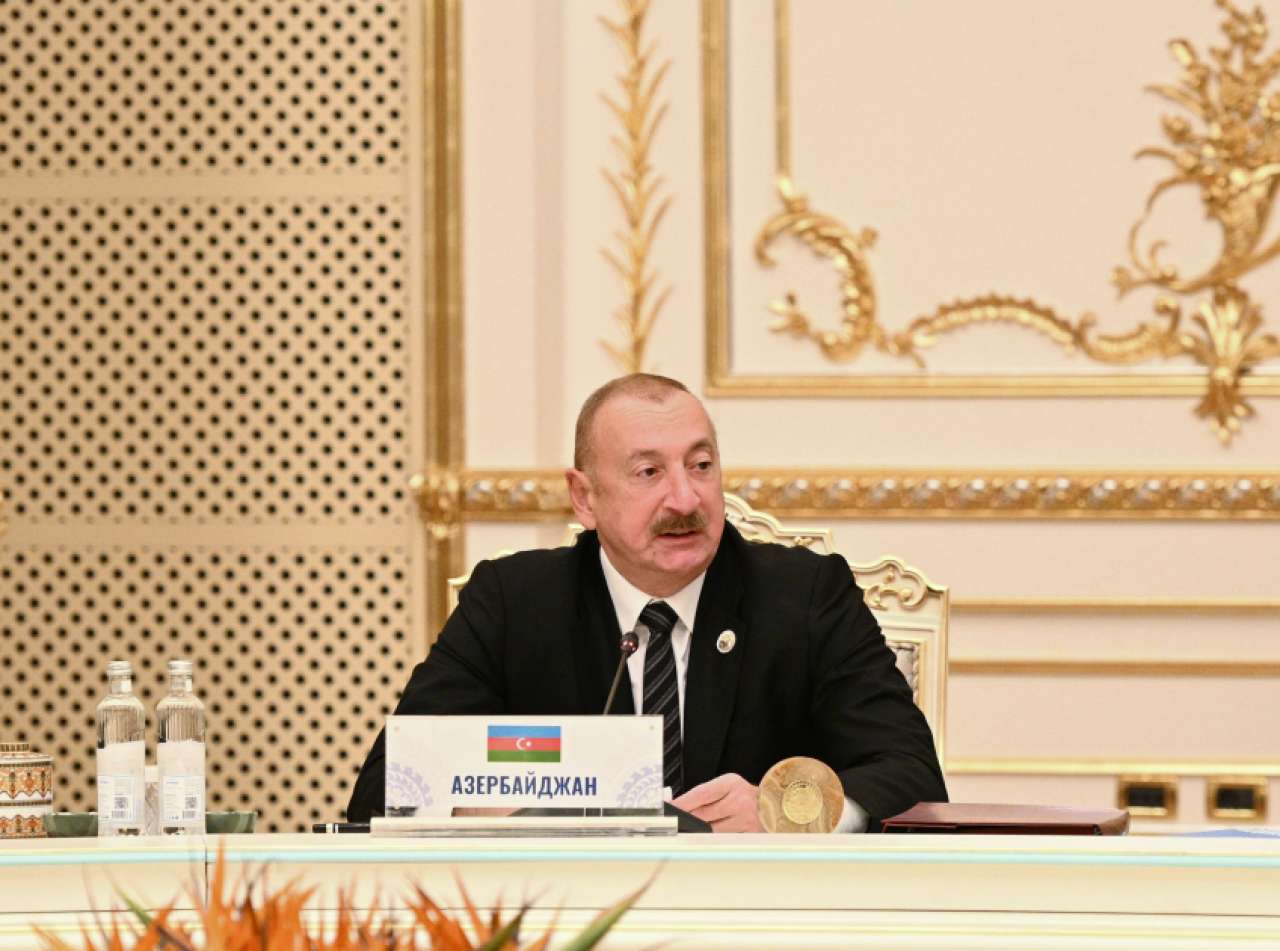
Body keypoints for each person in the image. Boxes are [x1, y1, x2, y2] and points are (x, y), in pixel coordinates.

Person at [347, 374, 946, 830]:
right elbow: (383, 790)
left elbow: (912, 776)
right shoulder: (514, 603)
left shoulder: (806, 595)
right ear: (585, 498)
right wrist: (488, 807)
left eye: (701, 466)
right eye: (648, 473)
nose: (685, 499)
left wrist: (784, 812)